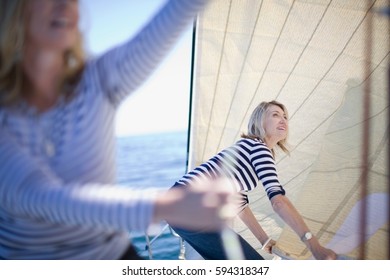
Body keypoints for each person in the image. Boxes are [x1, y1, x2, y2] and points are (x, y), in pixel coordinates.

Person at [0, 0, 240, 260]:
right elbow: (41, 198)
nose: (65, 5)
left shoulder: (97, 80)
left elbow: (165, 25)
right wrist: (167, 205)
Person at [170, 100, 338, 260]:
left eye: (285, 116)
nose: (283, 119)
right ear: (259, 121)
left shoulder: (247, 148)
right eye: (275, 115)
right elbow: (278, 202)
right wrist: (315, 247)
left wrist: (263, 240)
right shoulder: (258, 148)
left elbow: (239, 204)